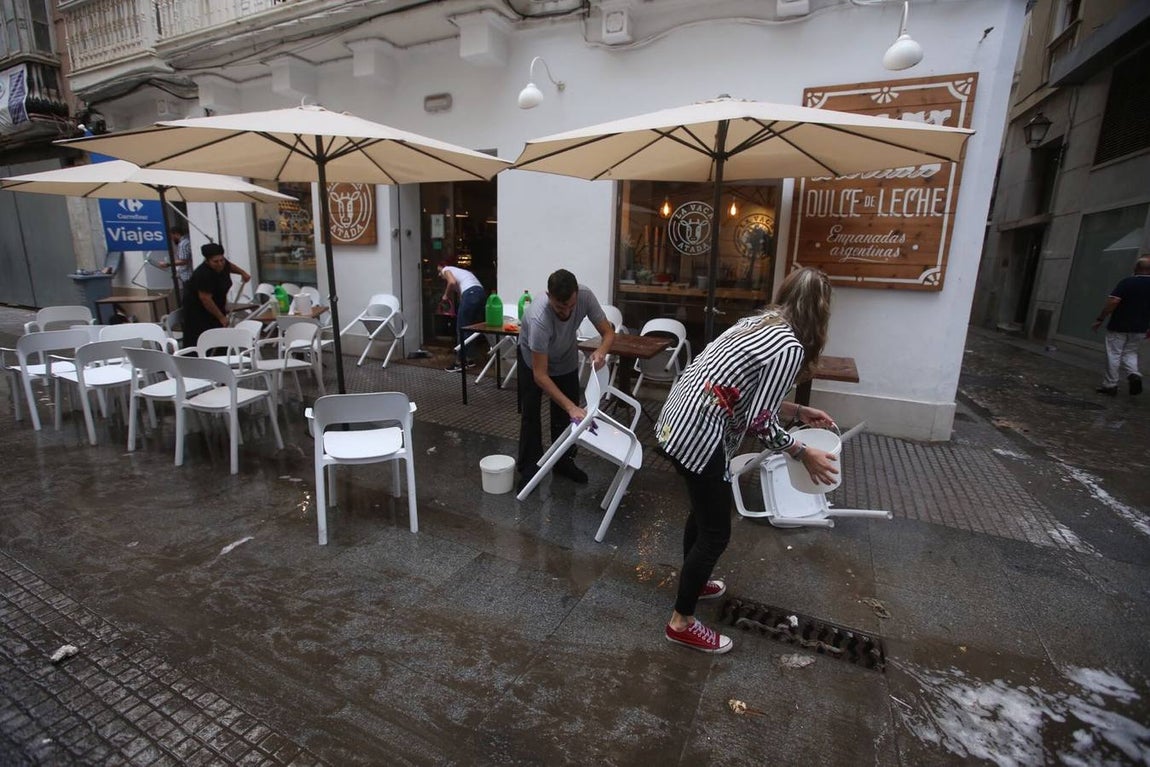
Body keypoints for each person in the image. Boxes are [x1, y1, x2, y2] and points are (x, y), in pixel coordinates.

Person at [655, 267, 839, 654]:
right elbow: (760, 421)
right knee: (717, 531)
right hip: (700, 434)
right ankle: (681, 622)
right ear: (821, 313)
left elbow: (745, 391)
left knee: (703, 513)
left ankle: (695, 581)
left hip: (677, 420)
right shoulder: (790, 347)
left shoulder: (758, 323)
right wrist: (803, 453)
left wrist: (797, 409)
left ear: (787, 294)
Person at [517, 269, 615, 488]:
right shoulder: (539, 318)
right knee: (531, 414)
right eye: (560, 307)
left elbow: (608, 333)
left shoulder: (585, 296)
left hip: (565, 357)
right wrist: (572, 406)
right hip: (532, 361)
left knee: (565, 417)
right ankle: (528, 468)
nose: (567, 312)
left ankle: (564, 462)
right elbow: (540, 375)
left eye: (571, 305)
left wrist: (601, 351)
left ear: (576, 293)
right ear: (549, 296)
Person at [1092, 255, 1150, 396]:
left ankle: (1110, 385)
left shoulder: (1127, 282)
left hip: (1119, 325)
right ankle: (1134, 373)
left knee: (1114, 354)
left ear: (1136, 268)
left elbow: (1113, 302)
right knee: (1130, 352)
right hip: (1140, 327)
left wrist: (1100, 318)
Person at [181, 242, 250, 349]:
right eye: (215, 262)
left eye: (221, 260)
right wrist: (221, 317)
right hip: (199, 310)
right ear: (207, 261)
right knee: (206, 337)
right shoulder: (203, 274)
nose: (220, 264)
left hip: (217, 304)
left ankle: (221, 356)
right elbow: (205, 298)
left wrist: (242, 273)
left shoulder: (224, 264)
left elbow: (229, 266)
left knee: (220, 335)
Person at [438, 262, 486, 373]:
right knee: (469, 328)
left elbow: (451, 282)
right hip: (480, 293)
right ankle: (469, 359)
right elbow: (462, 294)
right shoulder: (462, 273)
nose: (439, 274)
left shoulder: (446, 269)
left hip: (471, 294)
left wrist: (445, 295)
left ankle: (460, 362)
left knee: (462, 328)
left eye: (438, 271)